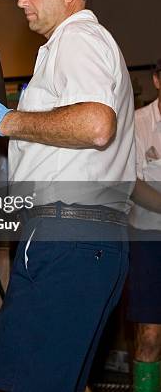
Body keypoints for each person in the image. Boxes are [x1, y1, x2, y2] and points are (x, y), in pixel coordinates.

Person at [0, 0, 136, 392]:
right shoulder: (72, 46)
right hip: (86, 238)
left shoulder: (77, 38)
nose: (20, 0)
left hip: (66, 238)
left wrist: (5, 122)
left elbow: (97, 124)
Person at [127, 60, 161, 392]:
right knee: (150, 335)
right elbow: (132, 184)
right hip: (149, 240)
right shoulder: (138, 123)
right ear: (156, 80)